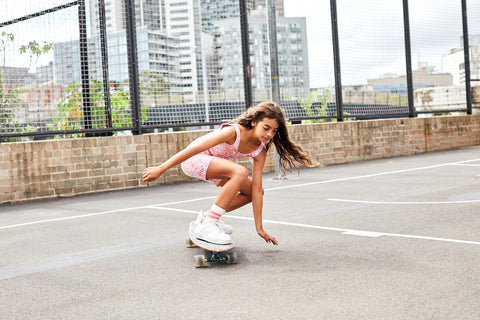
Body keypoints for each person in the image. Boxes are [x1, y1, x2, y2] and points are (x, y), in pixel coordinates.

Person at [142, 102, 316, 245]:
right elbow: (194, 148)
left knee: (254, 191)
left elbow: (256, 191)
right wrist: (161, 168)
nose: (270, 134)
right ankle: (209, 225)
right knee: (239, 171)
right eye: (266, 128)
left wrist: (259, 228)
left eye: (274, 131)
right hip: (194, 160)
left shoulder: (259, 151)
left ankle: (206, 219)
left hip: (215, 167)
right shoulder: (233, 131)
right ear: (254, 121)